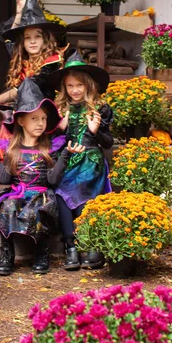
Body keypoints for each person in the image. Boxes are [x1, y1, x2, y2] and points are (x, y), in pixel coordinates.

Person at [0, 79, 85, 276]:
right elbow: (4, 180)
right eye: (34, 119)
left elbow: (52, 180)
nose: (40, 124)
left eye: (43, 119)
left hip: (41, 194)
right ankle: (7, 253)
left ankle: (41, 252)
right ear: (21, 120)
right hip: (18, 193)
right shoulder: (11, 148)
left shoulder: (50, 147)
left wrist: (66, 155)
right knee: (7, 206)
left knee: (38, 209)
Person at [46, 50, 113, 271]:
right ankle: (71, 246)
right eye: (70, 86)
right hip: (66, 159)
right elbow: (51, 141)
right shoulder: (60, 110)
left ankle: (89, 242)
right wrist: (60, 129)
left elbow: (108, 142)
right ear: (64, 88)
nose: (74, 90)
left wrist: (95, 131)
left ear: (88, 86)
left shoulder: (100, 108)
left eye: (79, 86)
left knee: (83, 187)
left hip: (90, 161)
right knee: (61, 194)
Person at [0, 0, 66, 127]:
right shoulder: (23, 58)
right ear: (23, 43)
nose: (32, 41)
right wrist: (20, 14)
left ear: (45, 40)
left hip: (42, 115)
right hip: (22, 112)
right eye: (27, 38)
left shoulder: (51, 61)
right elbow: (10, 40)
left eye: (37, 37)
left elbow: (25, 87)